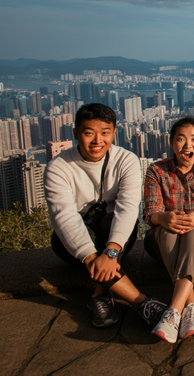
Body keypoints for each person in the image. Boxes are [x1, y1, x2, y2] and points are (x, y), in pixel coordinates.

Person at [45, 103, 166, 329]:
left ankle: (99, 297)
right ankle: (141, 302)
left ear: (113, 133)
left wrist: (110, 252)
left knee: (118, 222)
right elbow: (65, 217)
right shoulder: (58, 168)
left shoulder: (125, 160)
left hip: (115, 240)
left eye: (105, 133)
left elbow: (128, 208)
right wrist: (92, 257)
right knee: (77, 230)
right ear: (76, 133)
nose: (97, 140)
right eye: (89, 133)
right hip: (71, 245)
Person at [143, 117, 194, 343]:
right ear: (171, 142)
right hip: (163, 239)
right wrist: (164, 218)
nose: (187, 145)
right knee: (168, 231)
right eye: (181, 139)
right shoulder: (156, 171)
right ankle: (190, 304)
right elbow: (149, 213)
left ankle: (173, 311)